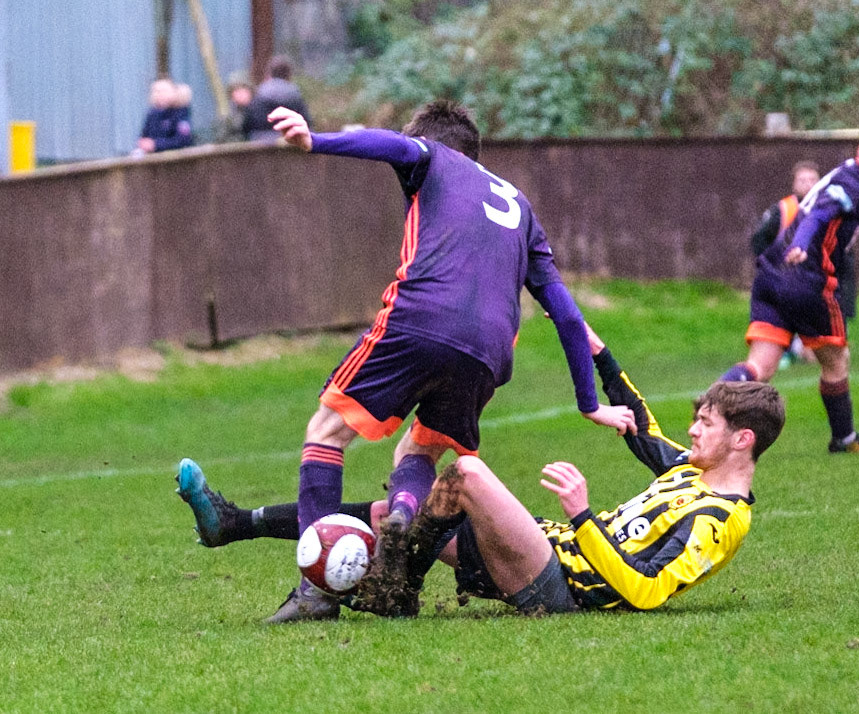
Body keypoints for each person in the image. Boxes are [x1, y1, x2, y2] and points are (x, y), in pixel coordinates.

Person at [188, 99, 635, 623]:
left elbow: (395, 147)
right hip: (491, 352)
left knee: (327, 430)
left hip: (422, 317)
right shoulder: (522, 208)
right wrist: (589, 402)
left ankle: (315, 595)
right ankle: (402, 515)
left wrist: (316, 141)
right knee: (421, 449)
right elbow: (564, 310)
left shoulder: (435, 158)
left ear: (441, 145)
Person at [175, 323, 785, 619]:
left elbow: (647, 592)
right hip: (545, 549)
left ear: (743, 440)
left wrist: (583, 516)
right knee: (394, 514)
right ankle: (234, 524)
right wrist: (597, 351)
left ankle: (395, 589)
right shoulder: (690, 468)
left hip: (564, 588)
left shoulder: (719, 519)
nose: (695, 430)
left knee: (465, 471)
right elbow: (644, 423)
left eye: (707, 423)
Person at [720, 119, 859, 454]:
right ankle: (844, 438)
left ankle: (714, 402)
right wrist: (802, 243)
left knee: (761, 367)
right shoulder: (854, 183)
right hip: (806, 280)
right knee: (836, 361)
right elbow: (818, 215)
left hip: (772, 273)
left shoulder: (847, 174)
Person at [750, 160, 822, 366]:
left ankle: (803, 349)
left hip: (813, 277)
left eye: (812, 180)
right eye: (802, 180)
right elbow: (759, 240)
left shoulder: (826, 208)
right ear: (793, 184)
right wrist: (770, 267)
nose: (808, 184)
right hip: (785, 277)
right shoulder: (782, 209)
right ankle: (783, 350)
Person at [243, 56, 311, 142]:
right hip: (291, 142)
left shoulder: (259, 95)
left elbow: (248, 124)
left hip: (260, 143)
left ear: (269, 74)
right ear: (289, 75)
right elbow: (307, 122)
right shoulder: (296, 96)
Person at [134, 78, 193, 154]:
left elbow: (183, 140)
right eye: (156, 91)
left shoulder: (180, 113)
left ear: (174, 92)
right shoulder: (152, 114)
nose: (159, 95)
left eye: (164, 91)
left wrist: (156, 144)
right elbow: (144, 137)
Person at [213, 73, 253, 143]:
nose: (241, 94)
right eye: (237, 91)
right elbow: (221, 140)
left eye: (243, 89)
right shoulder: (228, 117)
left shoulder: (258, 111)